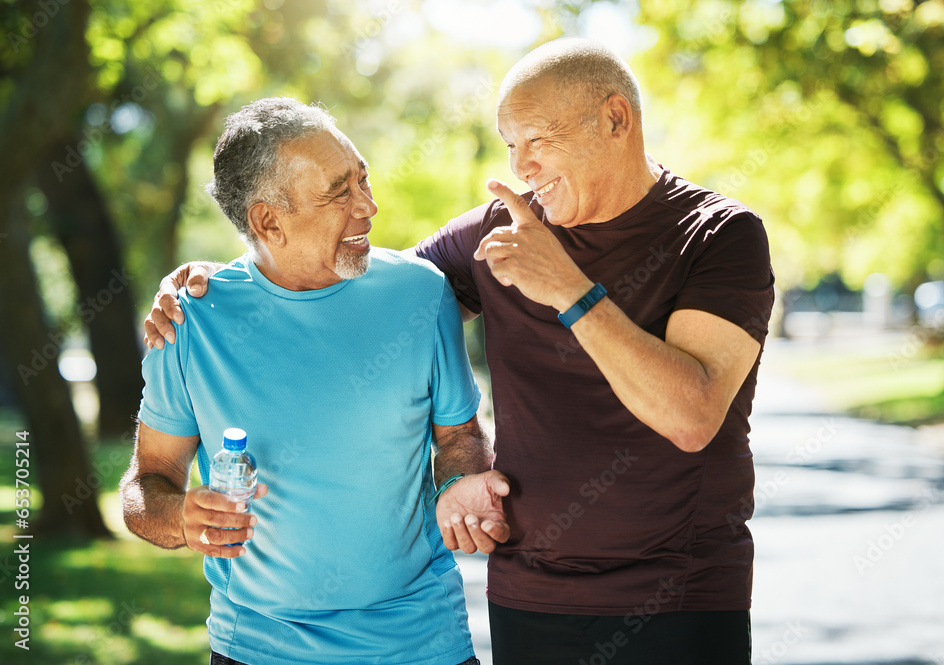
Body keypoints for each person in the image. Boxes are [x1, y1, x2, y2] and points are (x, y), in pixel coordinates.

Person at [145, 39, 774, 665]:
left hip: (681, 593)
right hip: (530, 594)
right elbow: (359, 294)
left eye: (538, 139)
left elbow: (691, 416)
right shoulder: (494, 233)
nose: (521, 166)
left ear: (616, 119)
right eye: (509, 144)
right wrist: (230, 279)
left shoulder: (718, 234)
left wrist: (569, 291)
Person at [120, 96, 508, 665]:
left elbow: (458, 437)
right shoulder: (188, 321)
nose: (368, 207)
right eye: (338, 193)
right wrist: (177, 517)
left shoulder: (421, 294)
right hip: (256, 649)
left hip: (420, 642)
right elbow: (145, 482)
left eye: (363, 180)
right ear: (267, 221)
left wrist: (459, 487)